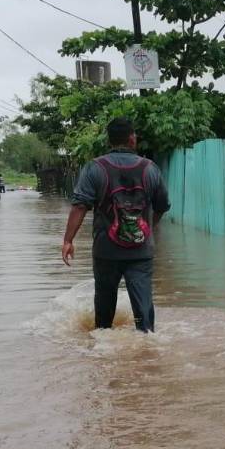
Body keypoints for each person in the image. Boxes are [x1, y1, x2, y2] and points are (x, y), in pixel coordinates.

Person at [61, 117, 170, 333]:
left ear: (109, 140)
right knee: (144, 313)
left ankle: (102, 353)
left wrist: (68, 240)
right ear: (132, 139)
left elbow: (79, 206)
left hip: (105, 251)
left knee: (103, 311)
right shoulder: (150, 169)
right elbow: (162, 206)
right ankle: (148, 352)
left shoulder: (94, 168)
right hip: (140, 251)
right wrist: (146, 228)